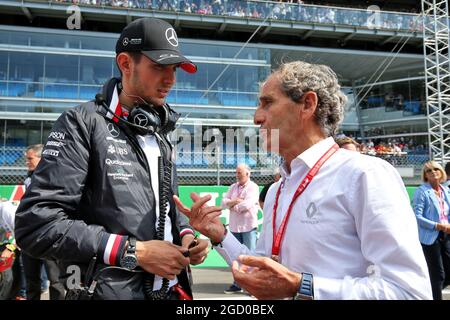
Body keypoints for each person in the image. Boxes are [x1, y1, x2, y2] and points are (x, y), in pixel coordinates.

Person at [174, 61, 432, 300]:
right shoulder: (277, 190)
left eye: (267, 103)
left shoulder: (365, 175)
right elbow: (265, 267)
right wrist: (219, 235)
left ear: (308, 104)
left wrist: (303, 285)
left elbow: (409, 291)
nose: (256, 117)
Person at [15, 17, 208, 300]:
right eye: (159, 67)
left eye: (175, 69)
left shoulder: (160, 131)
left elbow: (169, 209)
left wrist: (187, 235)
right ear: (126, 64)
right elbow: (36, 225)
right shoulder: (81, 123)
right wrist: (135, 252)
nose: (171, 80)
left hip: (170, 292)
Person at [21, 144, 66, 300]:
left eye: (30, 158)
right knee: (31, 280)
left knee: (55, 281)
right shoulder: (28, 177)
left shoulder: (54, 175)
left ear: (41, 158)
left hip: (48, 234)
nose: (26, 162)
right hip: (30, 235)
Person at [413, 161, 450, 300]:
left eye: (436, 169)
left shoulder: (446, 190)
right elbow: (418, 216)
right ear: (425, 175)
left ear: (441, 172)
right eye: (429, 171)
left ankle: (428, 293)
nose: (433, 172)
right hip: (430, 236)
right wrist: (438, 226)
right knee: (438, 274)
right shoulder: (421, 191)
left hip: (445, 234)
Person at [221, 163, 259, 294]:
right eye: (236, 173)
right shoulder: (233, 187)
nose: (237, 176)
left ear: (248, 173)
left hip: (248, 227)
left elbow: (247, 205)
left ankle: (253, 285)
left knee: (251, 257)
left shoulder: (253, 187)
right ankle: (237, 283)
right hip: (234, 227)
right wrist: (234, 202)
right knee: (235, 257)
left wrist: (232, 205)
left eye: (240, 173)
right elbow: (223, 202)